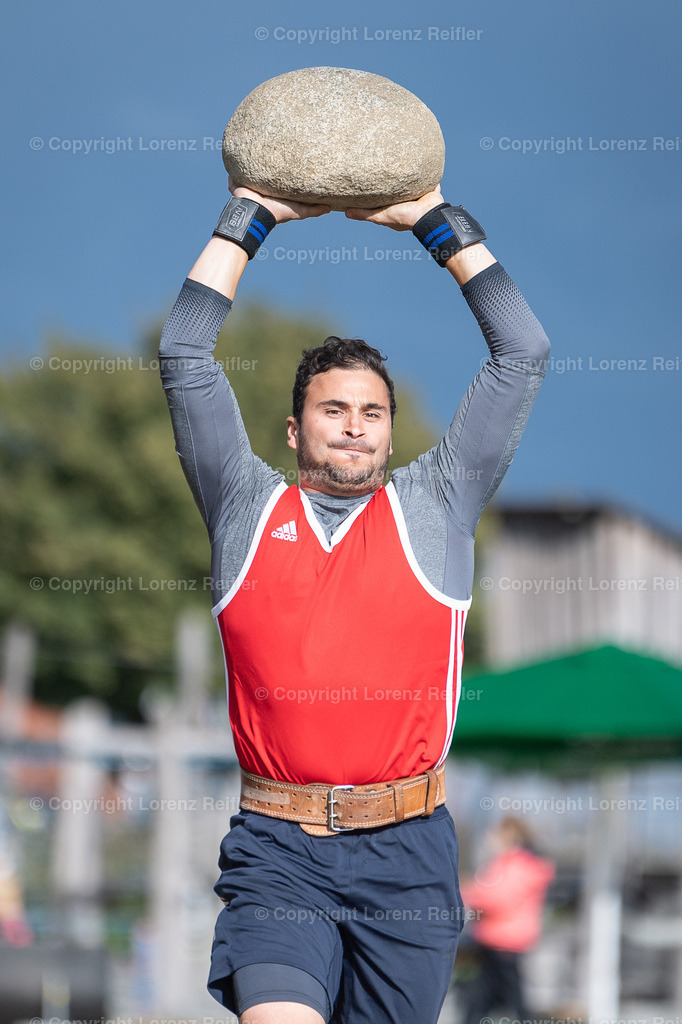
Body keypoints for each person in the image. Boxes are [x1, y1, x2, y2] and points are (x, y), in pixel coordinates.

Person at [158, 178, 551, 1024]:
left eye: (372, 412)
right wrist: (252, 214)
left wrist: (434, 223)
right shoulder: (244, 504)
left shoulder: (436, 504)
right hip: (277, 847)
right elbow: (185, 354)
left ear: (391, 430)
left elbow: (522, 351)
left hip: (409, 853)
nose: (354, 425)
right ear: (296, 430)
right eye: (332, 408)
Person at [459, 817, 556, 1024]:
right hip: (497, 939)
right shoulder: (508, 864)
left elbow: (498, 899)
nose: (490, 838)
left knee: (507, 995)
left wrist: (468, 894)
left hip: (506, 940)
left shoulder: (516, 866)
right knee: (488, 993)